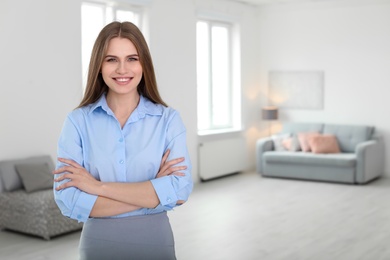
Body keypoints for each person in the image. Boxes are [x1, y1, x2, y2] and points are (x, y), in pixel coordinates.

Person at [53, 21, 193, 260]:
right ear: (99, 65)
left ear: (143, 64)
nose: (122, 69)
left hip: (155, 244)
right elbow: (69, 200)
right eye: (111, 59)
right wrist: (154, 192)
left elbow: (179, 191)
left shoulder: (168, 120)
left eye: (132, 58)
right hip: (98, 246)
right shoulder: (77, 122)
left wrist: (98, 188)